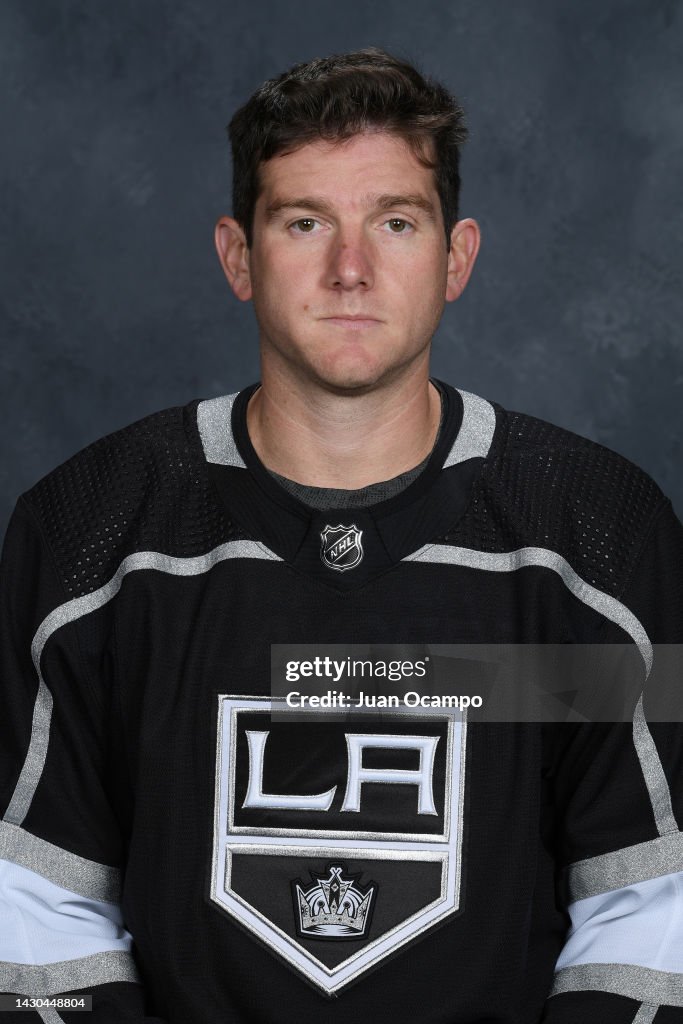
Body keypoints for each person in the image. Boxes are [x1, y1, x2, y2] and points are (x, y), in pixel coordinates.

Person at [0, 46, 681, 1024]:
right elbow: (33, 901)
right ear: (238, 255)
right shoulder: (91, 533)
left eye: (394, 223)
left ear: (456, 256)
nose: (349, 269)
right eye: (304, 221)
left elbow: (648, 903)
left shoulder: (595, 538)